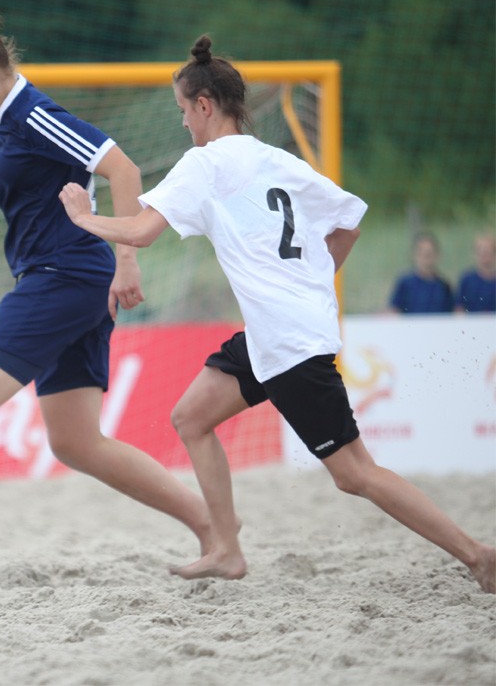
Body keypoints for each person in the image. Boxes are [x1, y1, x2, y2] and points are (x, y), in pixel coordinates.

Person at [58, 35, 495, 594]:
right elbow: (349, 225)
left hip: (287, 341)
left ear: (205, 106)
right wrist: (309, 286)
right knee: (191, 418)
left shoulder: (205, 164)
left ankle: (478, 555)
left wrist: (83, 218)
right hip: (278, 331)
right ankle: (226, 549)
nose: (183, 123)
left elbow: (141, 231)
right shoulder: (278, 160)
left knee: (354, 473)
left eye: (183, 111)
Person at [0, 2, 218, 597]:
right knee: (75, 441)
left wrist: (127, 261)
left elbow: (124, 169)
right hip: (62, 279)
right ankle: (213, 526)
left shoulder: (34, 113)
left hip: (65, 275)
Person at [388, 232, 454, 314]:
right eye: (422, 253)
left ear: (437, 255)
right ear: (414, 255)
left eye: (429, 254)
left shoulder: (443, 286)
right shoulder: (405, 284)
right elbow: (394, 310)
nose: (425, 258)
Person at [456, 233, 496, 313]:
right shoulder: (467, 280)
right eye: (481, 251)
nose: (484, 255)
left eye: (488, 251)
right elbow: (459, 308)